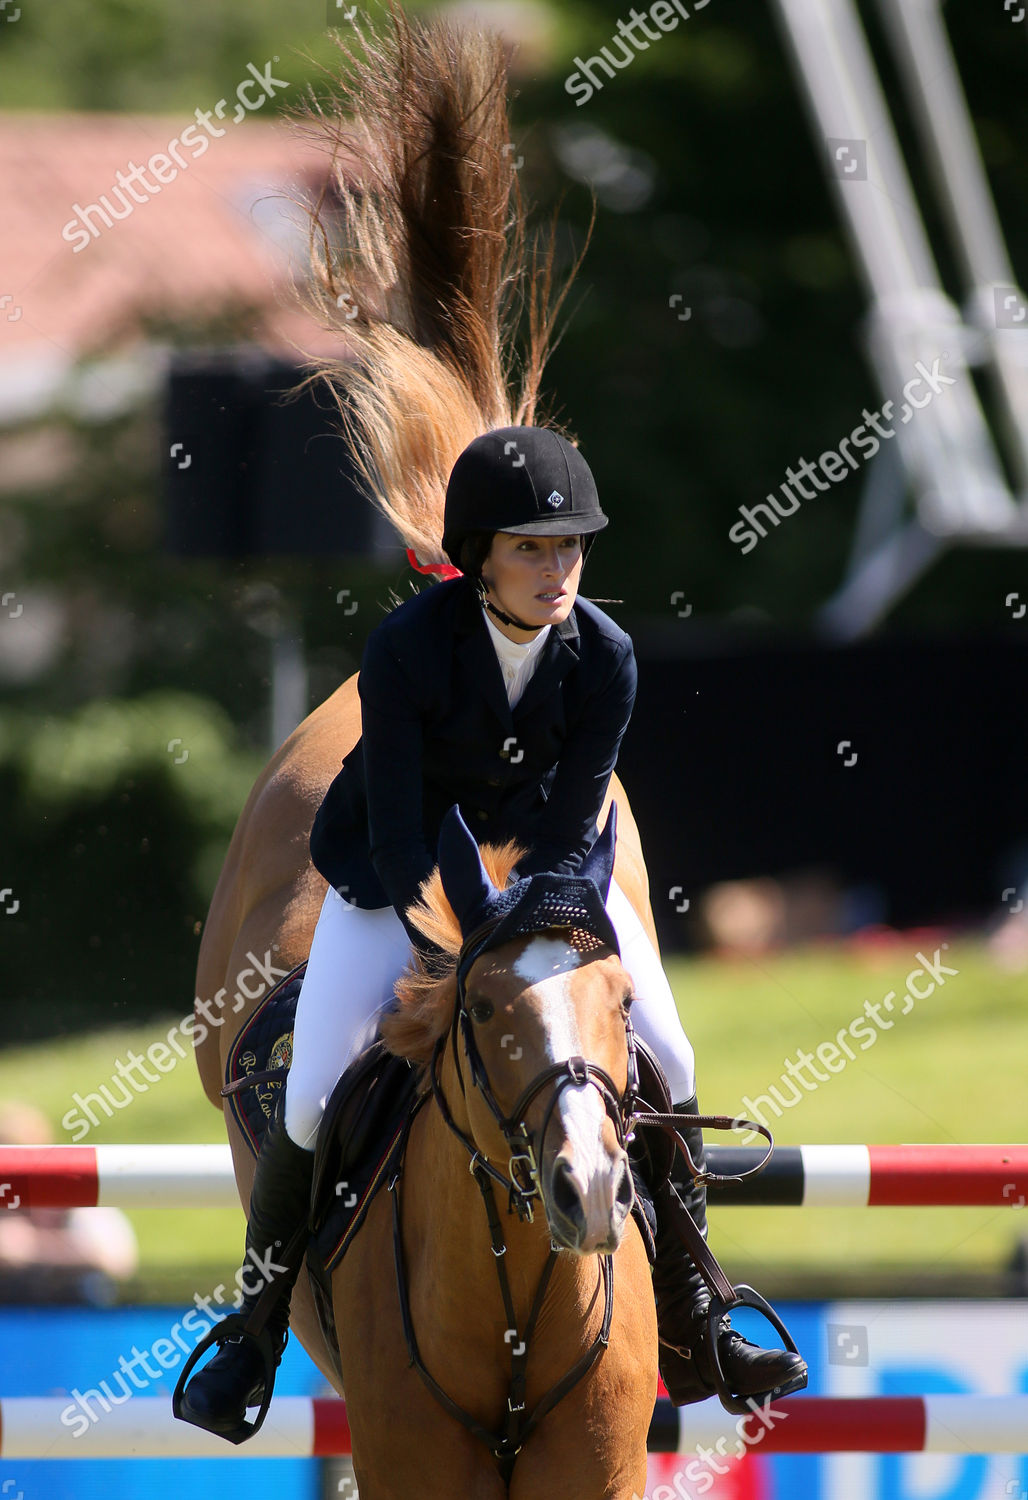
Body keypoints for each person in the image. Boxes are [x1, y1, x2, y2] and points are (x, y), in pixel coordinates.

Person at [175, 4, 805, 1441]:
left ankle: (699, 1308)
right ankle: (259, 1327)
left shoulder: (607, 657)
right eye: (536, 553)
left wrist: (547, 920)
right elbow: (397, 829)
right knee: (328, 1086)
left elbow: (579, 815)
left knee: (680, 1063)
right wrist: (476, 930)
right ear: (480, 559)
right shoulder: (410, 654)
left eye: (574, 551)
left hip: (544, 881)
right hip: (395, 881)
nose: (562, 573)